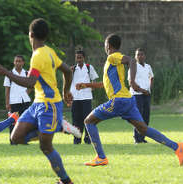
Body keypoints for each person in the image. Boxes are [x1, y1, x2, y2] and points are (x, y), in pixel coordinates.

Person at [0, 18, 75, 184]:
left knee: (45, 146)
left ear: (30, 35)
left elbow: (30, 82)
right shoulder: (49, 51)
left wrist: (5, 71)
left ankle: (66, 182)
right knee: (15, 138)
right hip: (38, 103)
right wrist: (66, 90)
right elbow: (66, 70)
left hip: (50, 105)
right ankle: (58, 126)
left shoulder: (38, 56)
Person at [76, 34, 183, 166]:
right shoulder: (114, 63)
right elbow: (105, 84)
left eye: (105, 45)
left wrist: (132, 81)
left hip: (118, 101)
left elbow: (131, 61)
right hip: (128, 100)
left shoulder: (112, 57)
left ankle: (101, 157)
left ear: (108, 46)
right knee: (143, 129)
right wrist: (86, 85)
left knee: (88, 121)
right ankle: (177, 147)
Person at [69, 49, 99, 144]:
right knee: (76, 119)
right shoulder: (73, 69)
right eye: (77, 57)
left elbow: (94, 80)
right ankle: (77, 139)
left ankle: (88, 138)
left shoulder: (89, 68)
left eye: (80, 57)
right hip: (75, 98)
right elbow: (68, 82)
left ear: (84, 58)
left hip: (86, 97)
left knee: (88, 119)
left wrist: (90, 87)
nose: (78, 59)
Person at [3, 55, 31, 145]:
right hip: (13, 101)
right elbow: (7, 90)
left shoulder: (27, 73)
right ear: (14, 62)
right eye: (16, 61)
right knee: (13, 122)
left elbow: (32, 85)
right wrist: (7, 103)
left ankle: (24, 140)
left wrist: (26, 92)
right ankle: (13, 140)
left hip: (25, 101)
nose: (18, 63)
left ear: (23, 63)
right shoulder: (9, 74)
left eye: (20, 61)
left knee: (25, 122)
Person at [128, 48, 154, 144]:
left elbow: (152, 77)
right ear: (135, 56)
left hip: (146, 95)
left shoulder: (148, 66)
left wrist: (149, 89)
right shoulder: (133, 67)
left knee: (146, 117)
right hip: (136, 95)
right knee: (138, 117)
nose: (140, 56)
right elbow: (131, 83)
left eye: (142, 54)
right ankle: (137, 138)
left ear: (145, 56)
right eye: (138, 54)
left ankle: (142, 137)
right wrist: (142, 90)